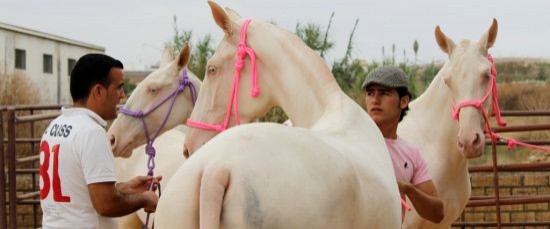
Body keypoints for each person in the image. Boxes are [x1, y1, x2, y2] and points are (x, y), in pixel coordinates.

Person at [39, 53, 161, 228]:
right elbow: (106, 204)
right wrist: (144, 199)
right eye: (119, 87)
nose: (122, 95)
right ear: (98, 91)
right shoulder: (92, 133)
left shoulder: (54, 126)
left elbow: (79, 191)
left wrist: (126, 188)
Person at [362, 66, 444, 223]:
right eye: (370, 93)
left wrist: (408, 189)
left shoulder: (411, 153)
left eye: (384, 93)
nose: (375, 100)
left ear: (404, 101)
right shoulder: (352, 141)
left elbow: (437, 213)